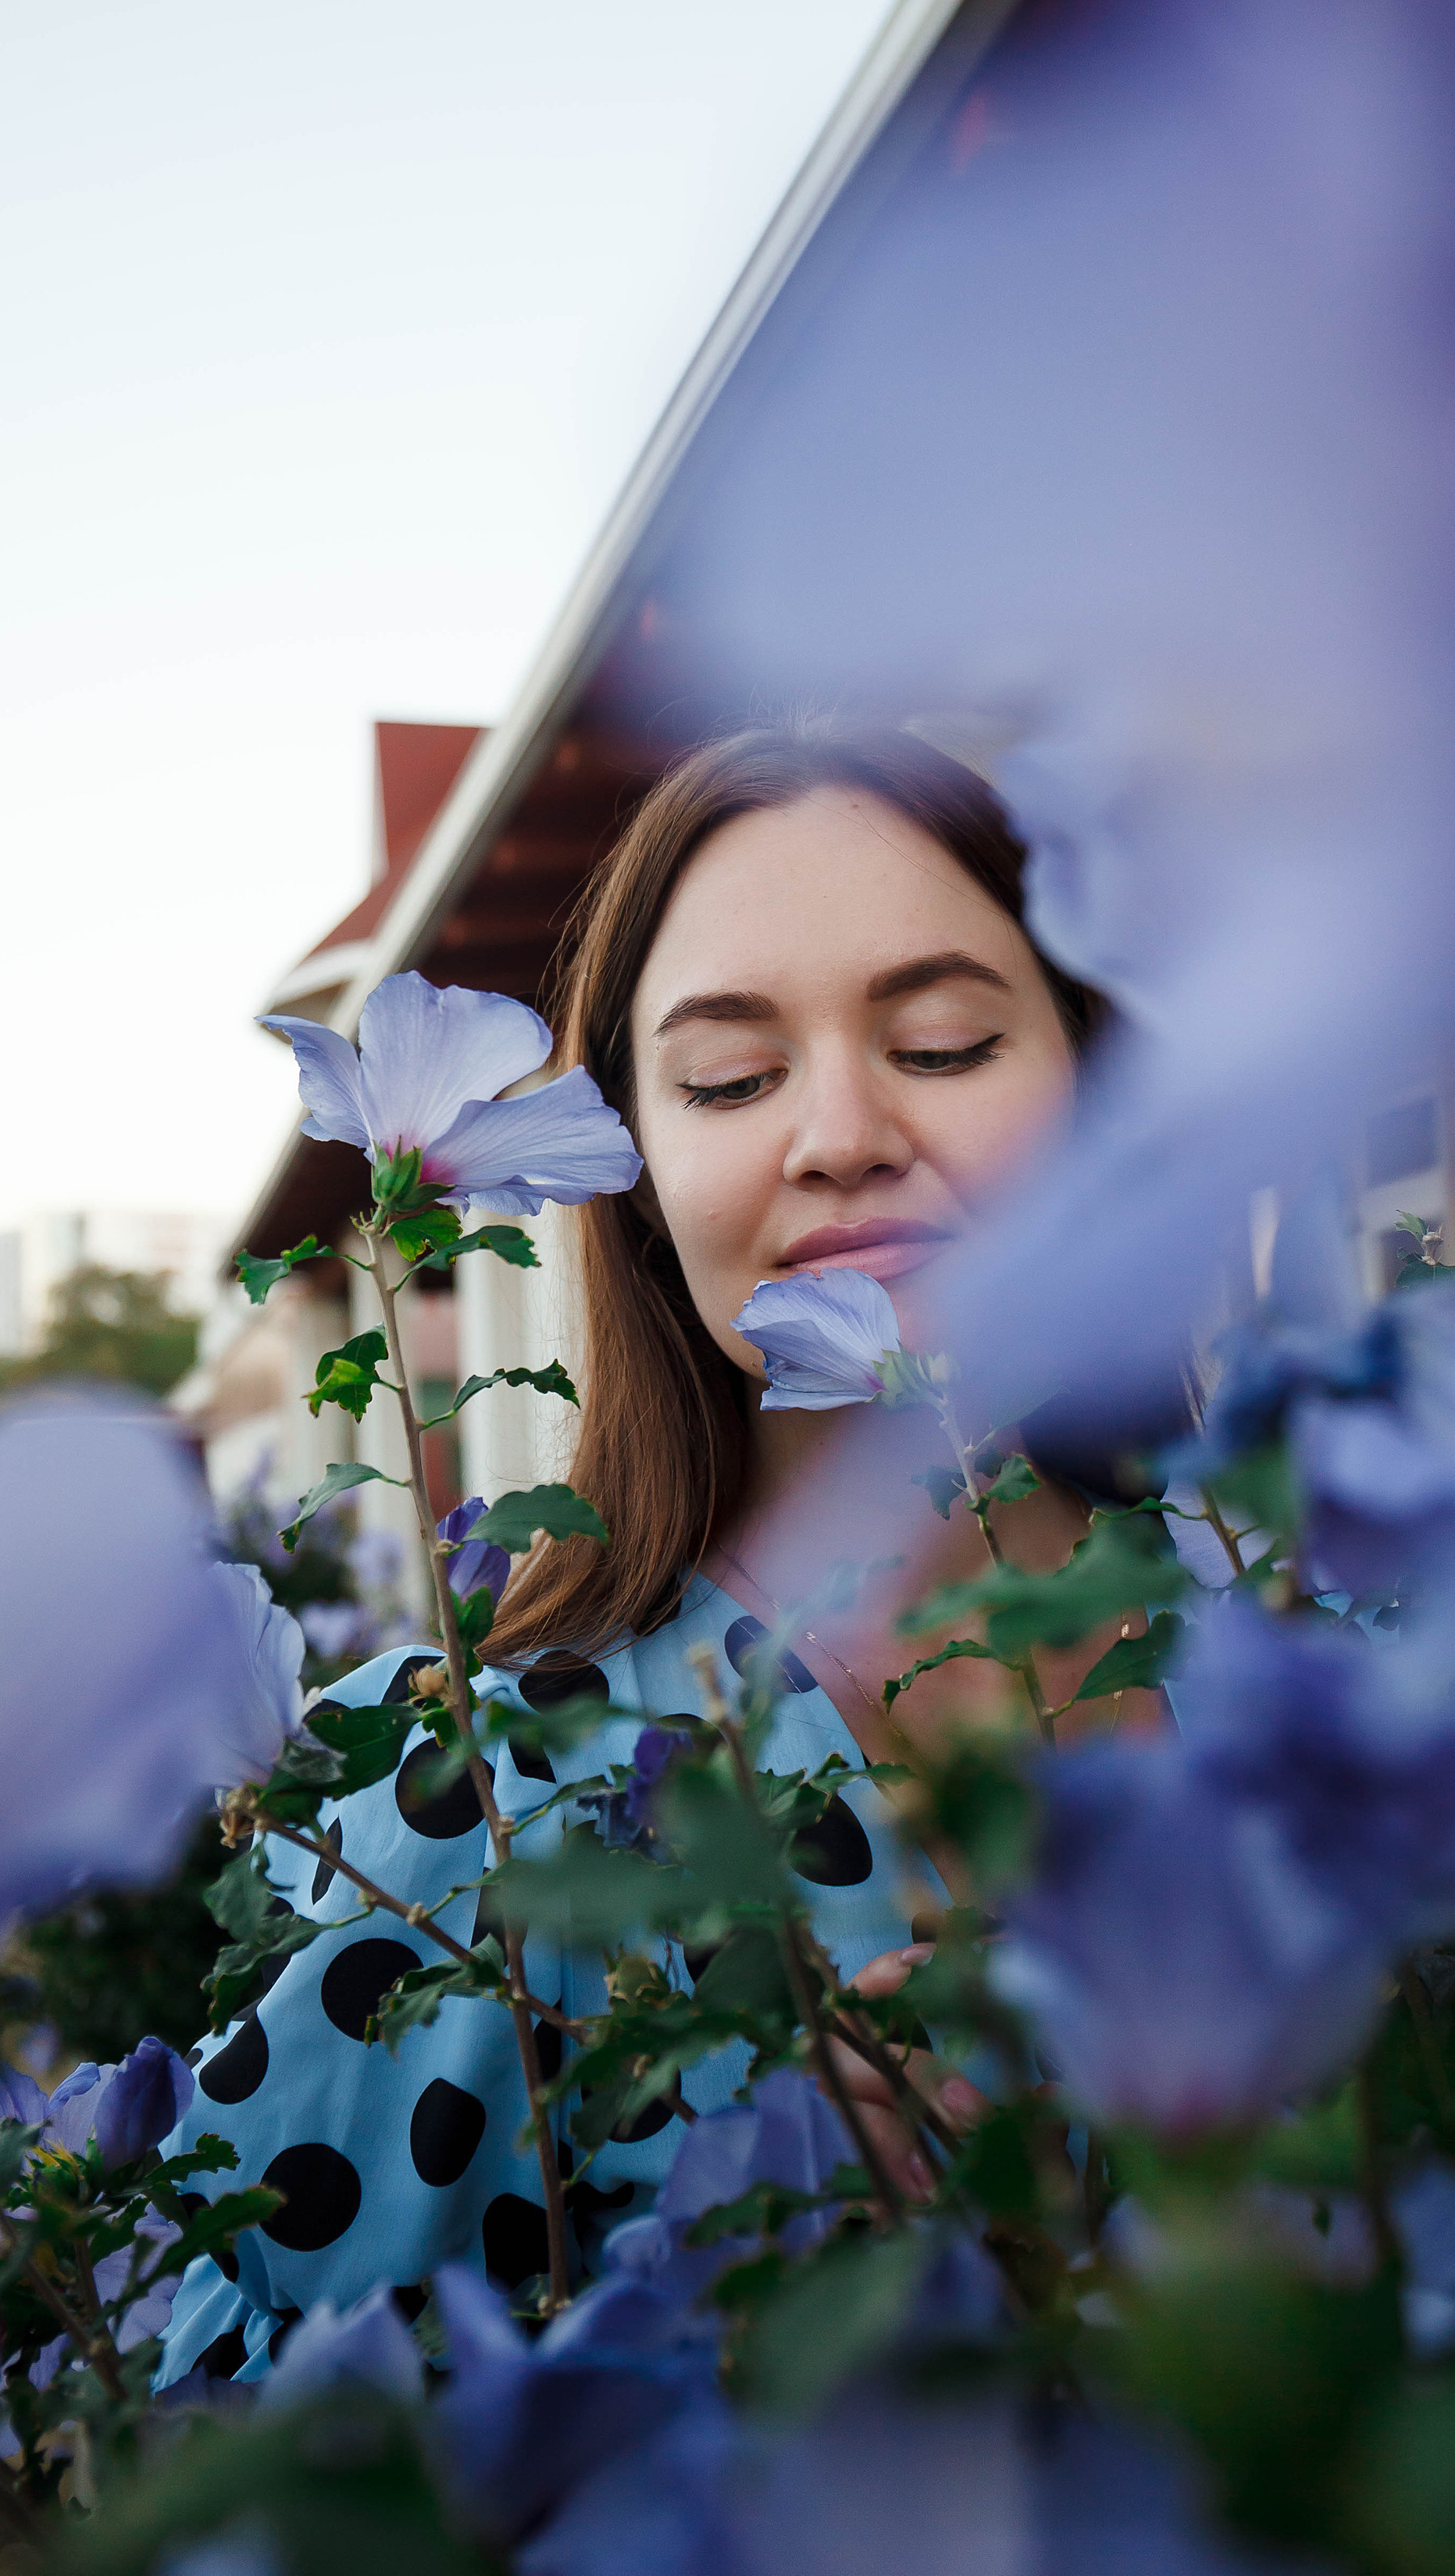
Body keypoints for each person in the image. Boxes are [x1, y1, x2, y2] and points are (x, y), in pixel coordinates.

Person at [159, 722, 1165, 2380]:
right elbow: (261, 2436)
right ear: (629, 1180)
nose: (839, 1131)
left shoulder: (1340, 1638)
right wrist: (751, 2277)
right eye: (728, 1078)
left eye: (946, 1040)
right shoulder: (482, 1791)